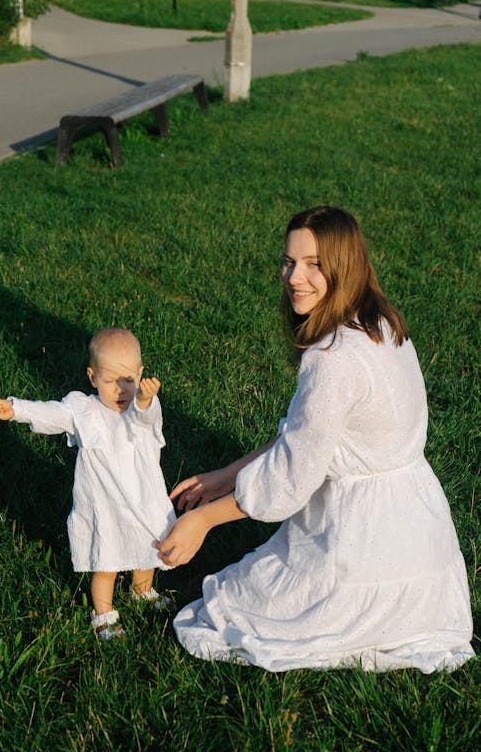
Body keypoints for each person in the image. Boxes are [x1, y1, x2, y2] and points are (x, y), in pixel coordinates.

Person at [157, 206, 474, 673]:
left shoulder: (333, 358)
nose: (294, 277)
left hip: (359, 537)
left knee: (222, 608)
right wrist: (225, 476)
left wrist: (203, 520)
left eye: (313, 264)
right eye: (288, 262)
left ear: (343, 265)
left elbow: (290, 478)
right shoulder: (381, 322)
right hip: (419, 530)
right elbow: (307, 437)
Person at [0, 327, 175, 642]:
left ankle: (142, 591)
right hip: (104, 504)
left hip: (143, 499)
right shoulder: (84, 410)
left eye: (129, 380)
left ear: (141, 374)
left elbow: (146, 419)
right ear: (92, 377)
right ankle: (103, 614)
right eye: (108, 380)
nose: (120, 389)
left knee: (148, 548)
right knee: (106, 561)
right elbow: (52, 413)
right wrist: (17, 408)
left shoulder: (142, 409)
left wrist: (144, 400)